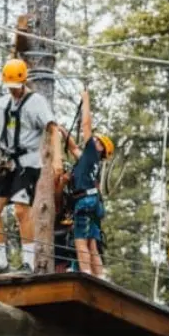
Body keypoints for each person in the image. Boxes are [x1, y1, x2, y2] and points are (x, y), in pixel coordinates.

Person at [0, 58, 59, 278]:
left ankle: (28, 264)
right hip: (6, 163)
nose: (14, 91)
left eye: (16, 87)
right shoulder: (0, 104)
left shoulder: (36, 103)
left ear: (24, 82)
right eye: (10, 87)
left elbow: (53, 129)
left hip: (27, 164)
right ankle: (0, 262)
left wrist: (56, 160)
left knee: (20, 210)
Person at [58, 89, 114, 279]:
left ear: (100, 147)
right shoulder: (91, 161)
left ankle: (86, 274)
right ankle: (99, 277)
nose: (93, 140)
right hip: (94, 202)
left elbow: (86, 124)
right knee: (92, 243)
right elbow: (73, 147)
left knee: (80, 240)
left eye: (96, 140)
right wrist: (63, 132)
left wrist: (86, 99)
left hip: (85, 201)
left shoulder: (92, 153)